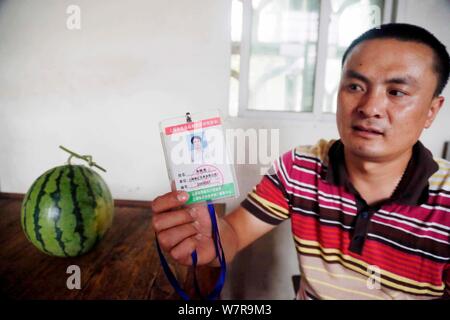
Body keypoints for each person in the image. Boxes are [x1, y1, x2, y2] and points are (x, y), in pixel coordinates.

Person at [151, 23, 450, 299]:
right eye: (355, 87)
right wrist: (212, 239)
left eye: (396, 92)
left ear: (432, 110)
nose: (370, 107)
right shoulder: (298, 168)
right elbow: (234, 234)